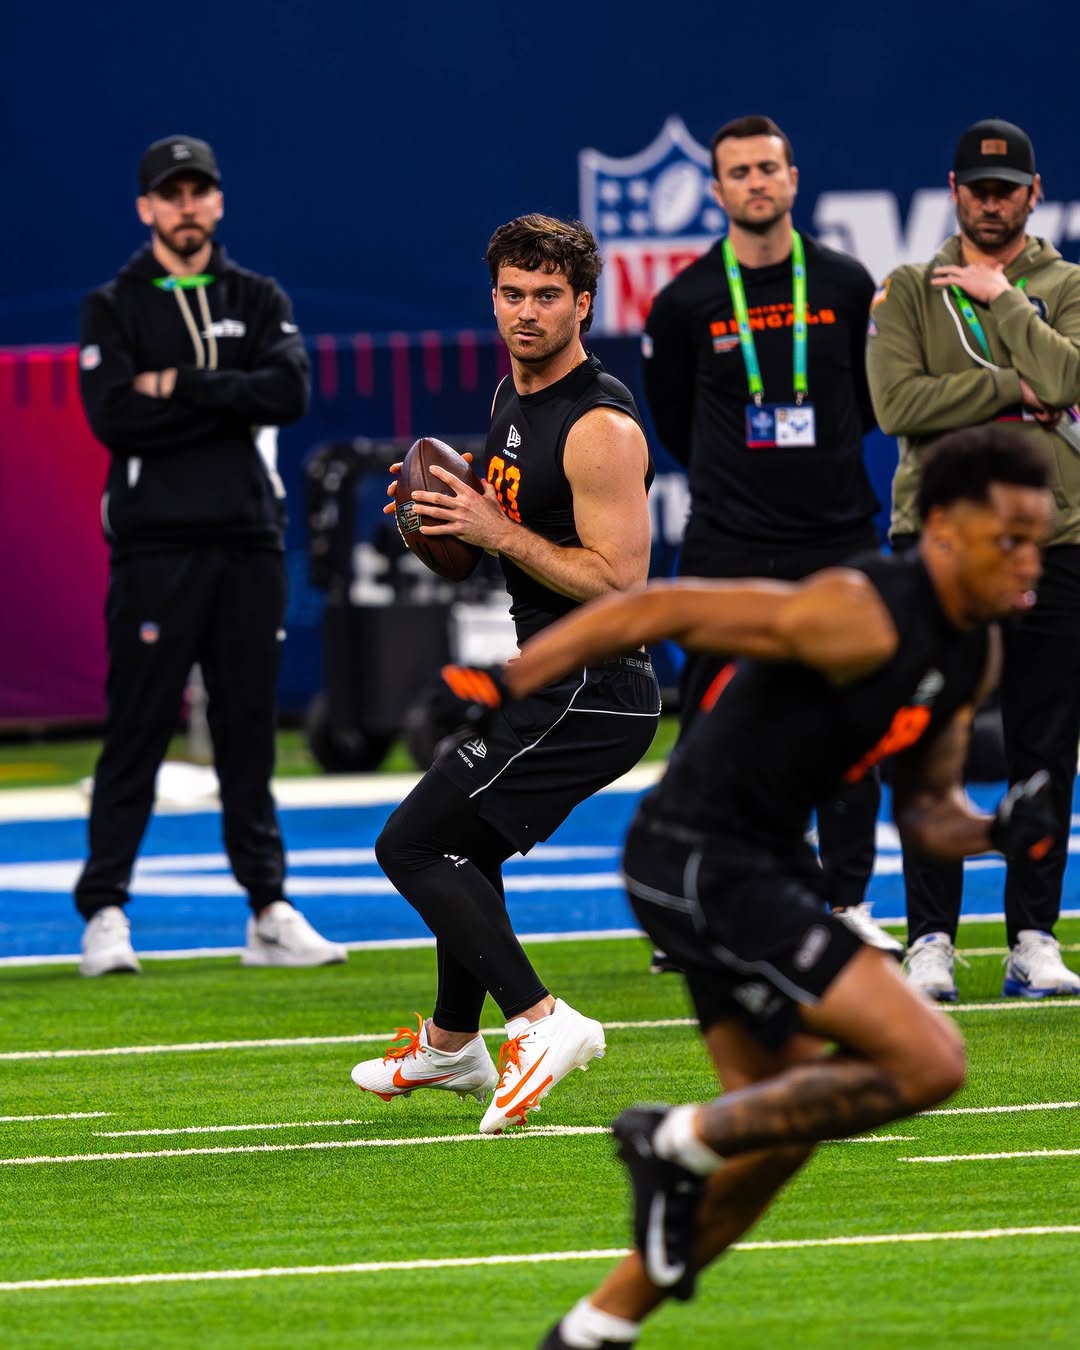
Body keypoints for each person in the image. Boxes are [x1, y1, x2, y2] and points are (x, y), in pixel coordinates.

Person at [435, 426, 1052, 1349]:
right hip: (697, 858)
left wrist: (1001, 831)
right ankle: (672, 1138)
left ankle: (593, 1329)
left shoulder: (975, 651)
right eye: (1011, 537)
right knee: (932, 1062)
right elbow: (665, 607)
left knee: (778, 1134)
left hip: (759, 867)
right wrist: (510, 677)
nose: (1029, 560)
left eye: (1039, 538)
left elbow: (926, 815)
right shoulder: (859, 610)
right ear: (944, 531)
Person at [349, 214, 660, 1134]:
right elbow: (505, 540)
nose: (528, 313)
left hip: (596, 684)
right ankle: (452, 1045)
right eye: (513, 295)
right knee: (466, 848)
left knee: (408, 843)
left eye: (547, 297)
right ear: (494, 298)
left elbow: (620, 585)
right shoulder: (506, 398)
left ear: (583, 304)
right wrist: (455, 522)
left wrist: (496, 532)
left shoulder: (601, 426)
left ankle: (543, 1021)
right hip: (551, 677)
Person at [74, 134, 345, 976]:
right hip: (156, 547)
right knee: (139, 729)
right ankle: (107, 913)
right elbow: (114, 416)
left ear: (218, 202)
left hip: (247, 543)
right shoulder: (115, 305)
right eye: (171, 193)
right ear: (146, 207)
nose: (187, 205)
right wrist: (228, 393)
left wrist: (179, 384)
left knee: (246, 735)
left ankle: (267, 909)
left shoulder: (257, 296)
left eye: (200, 191)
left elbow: (289, 392)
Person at [642, 114, 896, 955]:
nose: (756, 182)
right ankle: (694, 900)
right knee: (714, 724)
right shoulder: (685, 301)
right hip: (729, 540)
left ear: (793, 178)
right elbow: (673, 421)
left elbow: (869, 403)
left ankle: (847, 901)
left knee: (854, 722)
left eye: (768, 168)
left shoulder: (845, 283)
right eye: (738, 172)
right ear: (715, 191)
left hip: (838, 536)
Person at [867, 117, 1080, 1000]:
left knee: (1047, 742)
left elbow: (1067, 383)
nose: (991, 201)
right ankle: (931, 940)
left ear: (1033, 196)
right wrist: (1010, 386)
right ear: (955, 193)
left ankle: (1032, 935)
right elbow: (896, 404)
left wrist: (1004, 302)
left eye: (1007, 189)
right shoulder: (908, 287)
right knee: (930, 739)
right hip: (939, 542)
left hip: (1051, 537)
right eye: (977, 188)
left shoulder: (1066, 283)